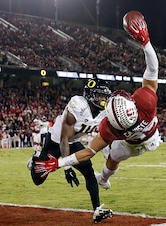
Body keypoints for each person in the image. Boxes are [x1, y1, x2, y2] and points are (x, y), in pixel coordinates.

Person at [33, 10, 162, 192]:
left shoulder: (110, 129)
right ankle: (103, 178)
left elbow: (86, 153)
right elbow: (153, 70)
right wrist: (146, 41)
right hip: (152, 136)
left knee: (113, 157)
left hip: (128, 146)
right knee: (112, 154)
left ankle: (103, 179)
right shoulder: (146, 103)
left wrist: (60, 163)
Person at [28, 78, 113, 223]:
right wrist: (67, 167)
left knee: (88, 171)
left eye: (104, 96)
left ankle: (97, 210)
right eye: (99, 96)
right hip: (56, 141)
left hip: (73, 142)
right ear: (91, 95)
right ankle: (35, 159)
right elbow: (63, 139)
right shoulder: (77, 105)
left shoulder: (104, 113)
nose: (103, 100)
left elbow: (105, 135)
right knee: (38, 179)